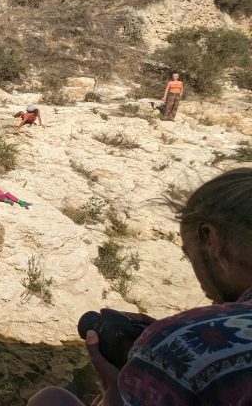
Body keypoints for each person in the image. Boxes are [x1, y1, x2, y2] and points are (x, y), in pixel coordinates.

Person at [28, 168, 252, 406]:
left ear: (209, 238)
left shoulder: (185, 341)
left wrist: (115, 391)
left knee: (51, 399)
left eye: (189, 254)